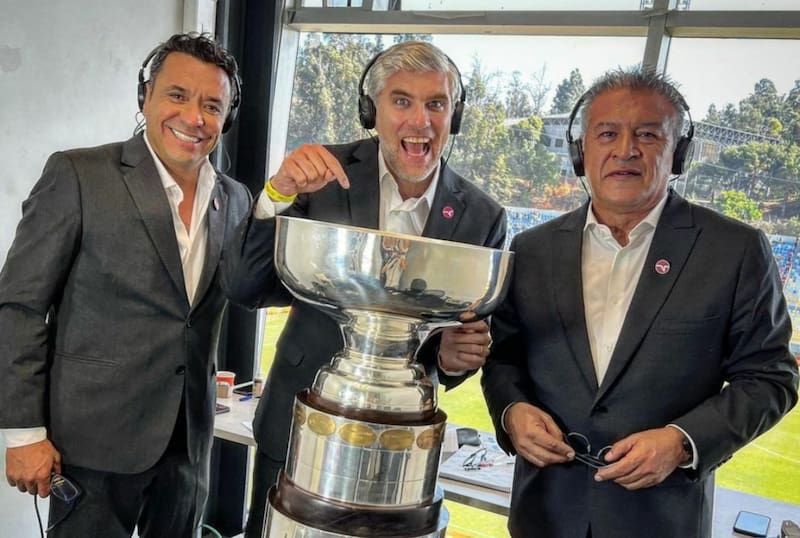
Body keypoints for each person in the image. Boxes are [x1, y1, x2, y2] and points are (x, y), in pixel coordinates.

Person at [481, 67, 799, 538]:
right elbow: (503, 359)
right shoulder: (530, 250)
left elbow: (771, 378)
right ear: (581, 150)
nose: (625, 149)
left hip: (662, 521)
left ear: (678, 153)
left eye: (648, 134)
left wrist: (682, 442)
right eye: (607, 132)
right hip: (543, 516)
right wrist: (512, 412)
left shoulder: (734, 250)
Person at [221, 40, 507, 538]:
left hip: (403, 448)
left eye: (435, 104)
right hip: (299, 423)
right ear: (372, 111)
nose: (420, 121)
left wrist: (453, 360)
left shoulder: (482, 217)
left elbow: (459, 348)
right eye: (402, 101)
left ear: (453, 116)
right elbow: (244, 287)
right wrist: (277, 193)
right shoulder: (318, 176)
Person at [0, 33, 251, 537]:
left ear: (226, 118)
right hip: (92, 443)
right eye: (177, 95)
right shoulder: (78, 174)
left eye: (212, 105)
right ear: (146, 97)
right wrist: (23, 432)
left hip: (188, 443)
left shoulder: (236, 199)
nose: (194, 117)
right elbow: (19, 307)